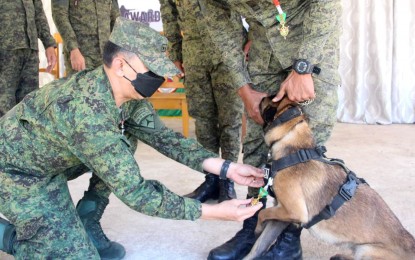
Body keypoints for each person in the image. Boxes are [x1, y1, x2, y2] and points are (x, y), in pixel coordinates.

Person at [0, 17, 265, 259]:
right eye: (151, 69)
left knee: (125, 136)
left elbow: (168, 140)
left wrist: (229, 169)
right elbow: (137, 192)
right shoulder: (87, 113)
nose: (159, 78)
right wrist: (216, 212)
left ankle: (87, 218)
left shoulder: (126, 98)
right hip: (17, 173)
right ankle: (11, 237)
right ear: (120, 65)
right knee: (71, 254)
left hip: (53, 159)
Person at [190, 0, 343, 259]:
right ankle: (253, 226)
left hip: (313, 40)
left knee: (304, 145)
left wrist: (303, 66)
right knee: (256, 145)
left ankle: (289, 237)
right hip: (264, 51)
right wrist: (243, 87)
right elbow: (221, 27)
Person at [51, 1, 125, 258]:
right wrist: (73, 47)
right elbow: (60, 13)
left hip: (107, 59)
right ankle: (58, 214)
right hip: (82, 59)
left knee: (114, 136)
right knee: (78, 132)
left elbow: (116, 18)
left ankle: (89, 212)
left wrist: (120, 53)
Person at [159, 0, 246, 203]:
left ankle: (227, 181)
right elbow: (169, 14)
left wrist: (252, 38)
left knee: (230, 119)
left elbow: (249, 6)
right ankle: (211, 179)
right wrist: (174, 52)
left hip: (229, 51)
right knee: (203, 119)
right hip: (193, 53)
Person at [0, 0, 57, 117]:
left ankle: (25, 135)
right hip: (6, 51)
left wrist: (49, 44)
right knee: (4, 103)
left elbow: (39, 14)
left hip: (30, 51)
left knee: (30, 102)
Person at [52, 0, 120, 76]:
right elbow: (59, 15)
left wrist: (117, 51)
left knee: (105, 87)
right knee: (81, 86)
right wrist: (73, 49)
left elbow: (115, 18)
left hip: (105, 55)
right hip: (81, 55)